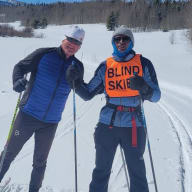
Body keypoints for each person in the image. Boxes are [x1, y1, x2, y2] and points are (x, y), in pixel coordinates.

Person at [66, 25, 161, 192]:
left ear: (131, 41)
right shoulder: (106, 66)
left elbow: (157, 96)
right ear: (113, 42)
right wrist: (74, 82)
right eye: (117, 39)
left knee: (137, 173)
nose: (121, 42)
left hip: (134, 126)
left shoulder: (143, 63)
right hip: (107, 126)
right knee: (101, 171)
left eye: (125, 38)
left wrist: (144, 88)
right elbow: (88, 93)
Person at [0, 25, 85, 192]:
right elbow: (20, 67)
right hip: (26, 117)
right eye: (70, 40)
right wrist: (17, 80)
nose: (72, 44)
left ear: (80, 46)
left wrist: (77, 81)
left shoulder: (77, 66)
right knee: (9, 152)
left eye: (77, 42)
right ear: (63, 39)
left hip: (50, 123)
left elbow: (81, 89)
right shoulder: (43, 54)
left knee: (40, 162)